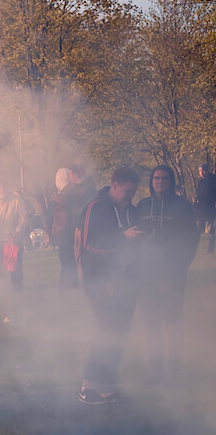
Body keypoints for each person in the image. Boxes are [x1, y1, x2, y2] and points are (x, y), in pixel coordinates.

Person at [77, 166, 143, 404]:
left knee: (119, 332)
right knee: (105, 332)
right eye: (127, 191)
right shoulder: (96, 208)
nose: (130, 196)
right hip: (99, 280)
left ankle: (108, 386)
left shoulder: (131, 210)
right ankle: (87, 386)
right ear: (114, 185)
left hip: (125, 280)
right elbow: (88, 245)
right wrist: (122, 237)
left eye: (134, 192)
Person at [134, 165, 200, 379]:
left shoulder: (182, 206)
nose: (160, 181)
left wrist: (183, 263)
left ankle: (174, 364)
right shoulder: (142, 206)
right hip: (147, 274)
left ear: (171, 181)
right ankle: (155, 364)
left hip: (173, 273)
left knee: (172, 319)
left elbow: (192, 237)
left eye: (164, 178)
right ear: (151, 181)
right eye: (156, 178)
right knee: (150, 320)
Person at [53, 164, 96, 288]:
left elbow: (67, 201)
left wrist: (55, 197)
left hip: (79, 226)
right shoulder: (79, 188)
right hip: (74, 226)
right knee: (71, 257)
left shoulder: (82, 188)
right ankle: (71, 283)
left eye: (70, 173)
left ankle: (75, 283)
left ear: (75, 174)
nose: (69, 176)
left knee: (76, 257)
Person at [196, 163, 216, 254]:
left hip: (211, 209)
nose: (202, 173)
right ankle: (196, 248)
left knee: (211, 230)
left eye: (203, 170)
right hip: (201, 210)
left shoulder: (213, 180)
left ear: (207, 171)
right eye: (200, 171)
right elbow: (198, 196)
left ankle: (210, 250)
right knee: (199, 230)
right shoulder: (200, 182)